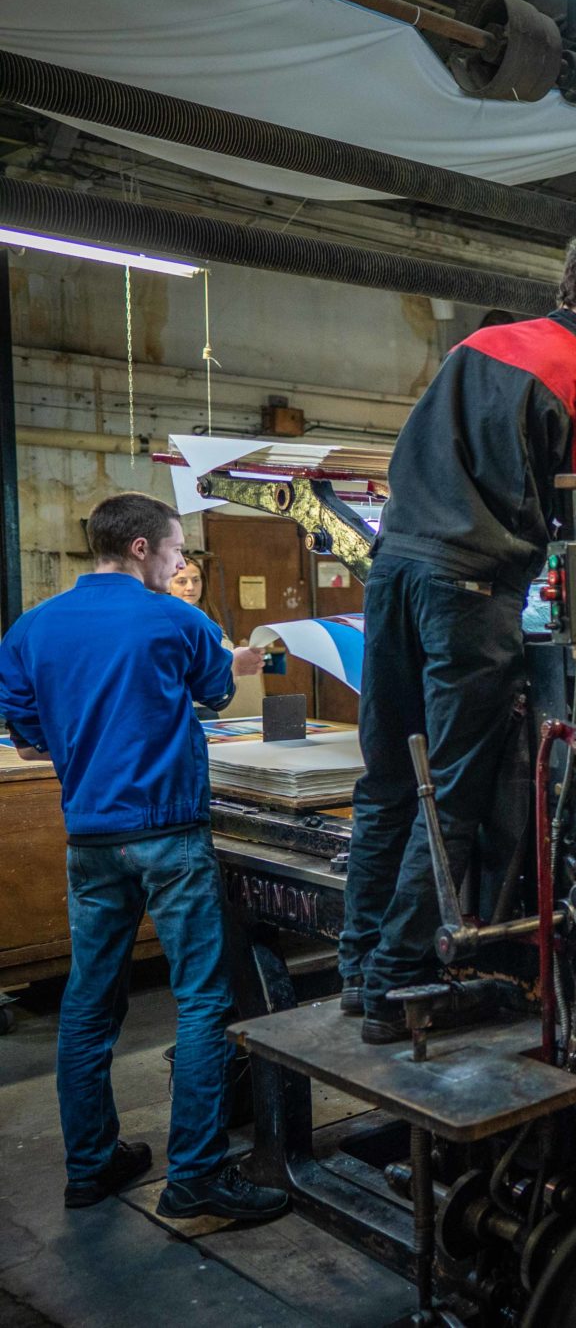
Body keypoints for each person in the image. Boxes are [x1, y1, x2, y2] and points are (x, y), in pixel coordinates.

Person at [344, 232, 576, 1044]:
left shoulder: (476, 348)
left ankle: (359, 969)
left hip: (392, 575)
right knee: (452, 791)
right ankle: (397, 983)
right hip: (468, 594)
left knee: (388, 778)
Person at [0, 494, 289, 1221]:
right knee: (202, 999)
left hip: (90, 838)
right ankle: (195, 1174)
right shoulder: (178, 620)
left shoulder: (30, 629)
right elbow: (216, 694)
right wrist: (235, 661)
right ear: (141, 548)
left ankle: (90, 1166)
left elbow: (29, 743)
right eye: (176, 549)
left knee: (89, 1003)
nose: (180, 562)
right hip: (169, 834)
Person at [164, 557, 260, 719]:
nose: (190, 587)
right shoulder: (165, 620)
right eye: (181, 581)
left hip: (210, 705)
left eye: (196, 580)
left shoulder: (210, 619)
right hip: (180, 707)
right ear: (168, 584)